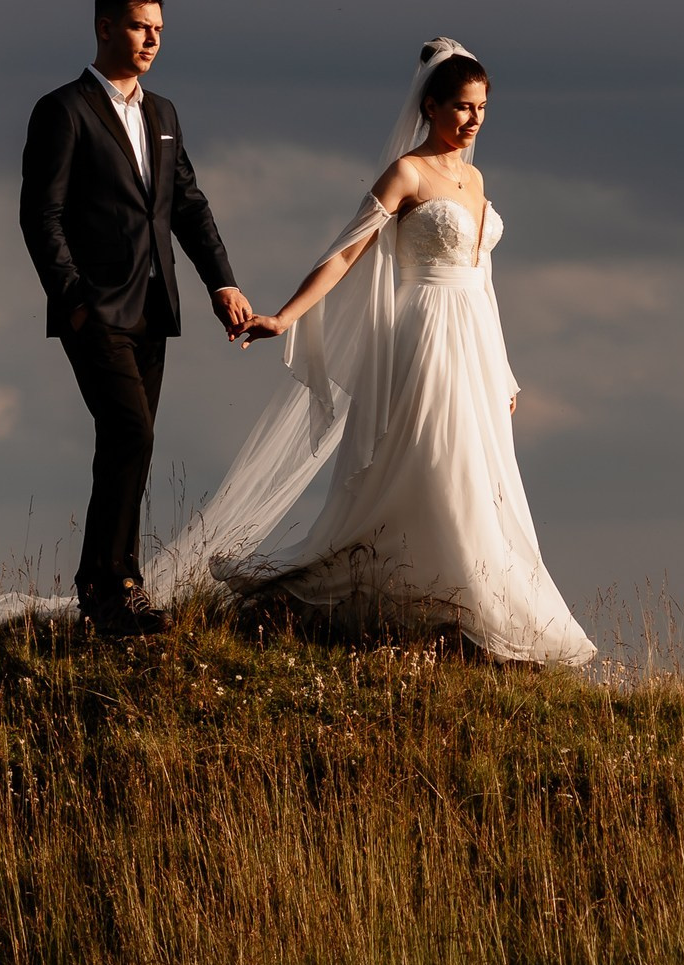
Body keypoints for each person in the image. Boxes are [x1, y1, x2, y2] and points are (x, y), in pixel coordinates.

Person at [147, 38, 595, 665]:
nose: (473, 120)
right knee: (435, 461)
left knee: (477, 470)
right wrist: (287, 315)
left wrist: (503, 370)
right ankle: (440, 608)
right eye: (462, 106)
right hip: (424, 335)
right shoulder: (408, 173)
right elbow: (346, 252)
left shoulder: (474, 178)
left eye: (483, 108)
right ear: (430, 106)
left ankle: (461, 606)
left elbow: (482, 278)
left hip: (474, 342)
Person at [18, 0, 252, 636]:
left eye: (159, 30)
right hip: (95, 309)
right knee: (132, 432)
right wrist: (74, 301)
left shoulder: (164, 114)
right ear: (104, 28)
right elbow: (40, 216)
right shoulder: (63, 110)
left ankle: (112, 585)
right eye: (139, 26)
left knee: (128, 442)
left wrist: (222, 283)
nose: (152, 39)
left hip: (155, 305)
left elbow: (188, 206)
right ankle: (112, 588)